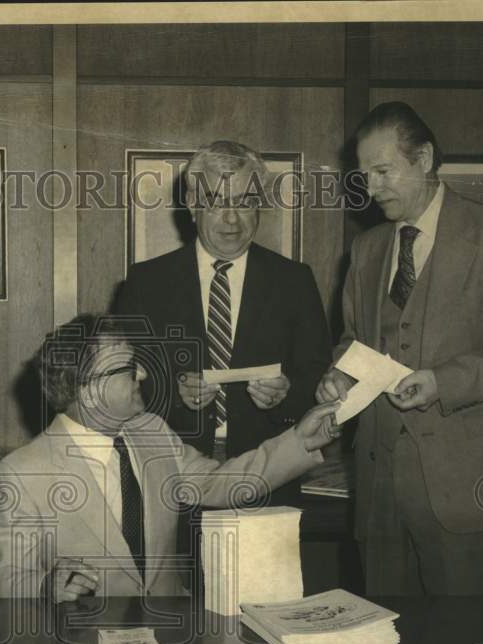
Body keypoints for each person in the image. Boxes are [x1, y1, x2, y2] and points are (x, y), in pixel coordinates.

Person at [316, 102, 483, 595]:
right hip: (380, 495)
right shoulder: (366, 250)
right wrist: (340, 375)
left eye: (383, 171)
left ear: (424, 158)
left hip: (470, 490)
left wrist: (444, 382)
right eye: (364, 175)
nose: (372, 188)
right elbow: (353, 341)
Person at [0, 313, 339, 601]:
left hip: (172, 636)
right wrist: (46, 586)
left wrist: (300, 441)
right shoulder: (22, 473)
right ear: (89, 388)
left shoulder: (152, 432)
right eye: (128, 367)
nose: (143, 374)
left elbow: (220, 484)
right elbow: (2, 578)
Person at [114, 140, 331, 467]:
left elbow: (319, 379)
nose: (232, 220)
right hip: (171, 469)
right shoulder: (146, 283)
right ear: (191, 203)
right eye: (216, 202)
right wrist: (175, 396)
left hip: (270, 469)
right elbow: (122, 380)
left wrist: (286, 394)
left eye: (245, 203)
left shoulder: (294, 281)